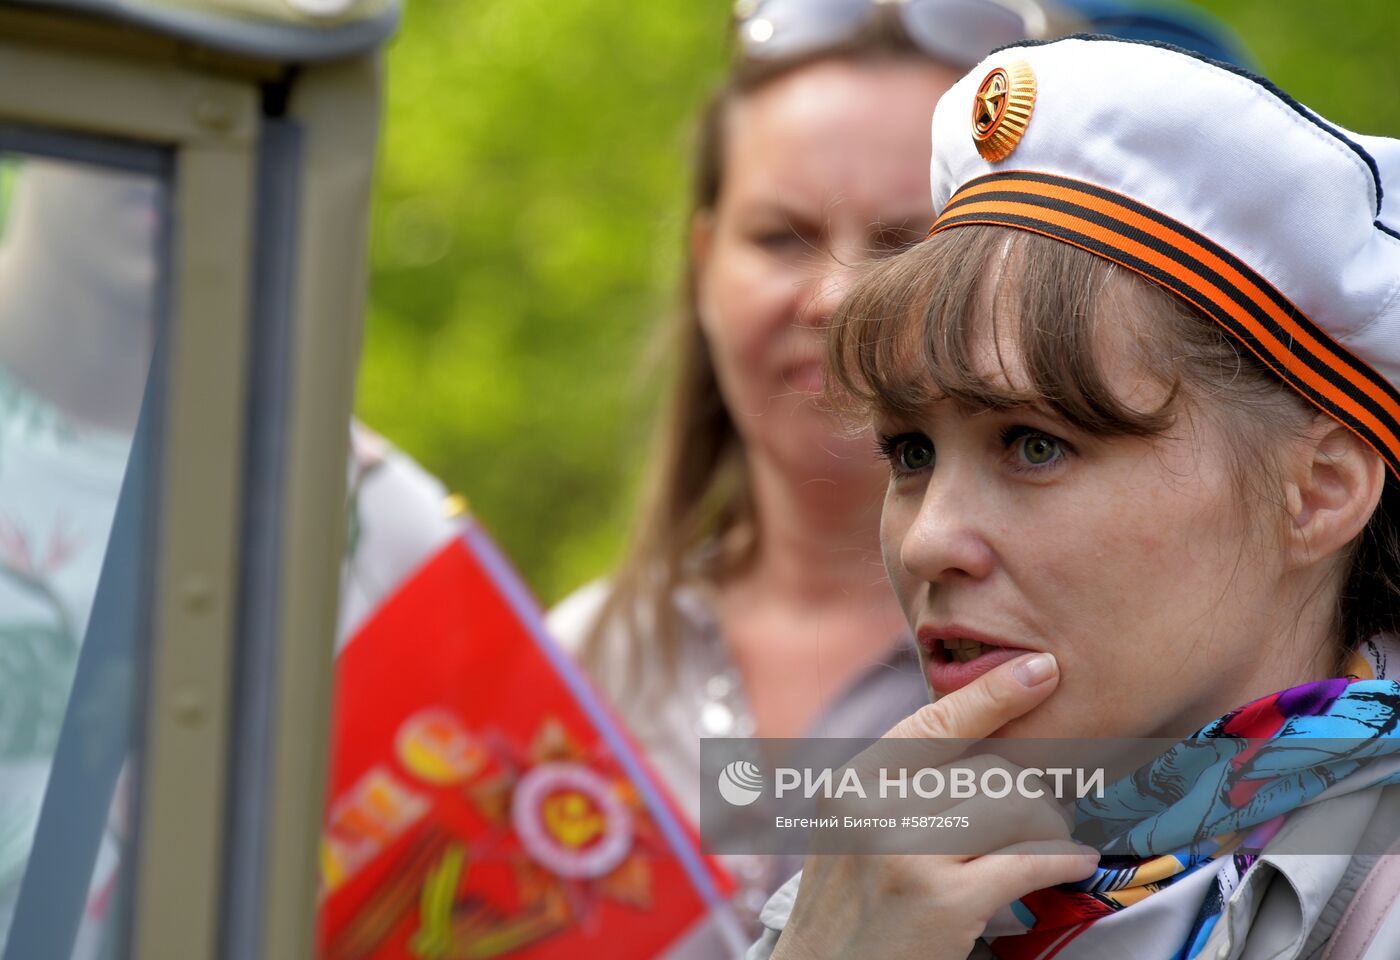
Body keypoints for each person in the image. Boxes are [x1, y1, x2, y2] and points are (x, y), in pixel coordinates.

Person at [748, 34, 1400, 960]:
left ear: (1319, 492)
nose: (929, 541)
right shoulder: (872, 880)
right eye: (911, 453)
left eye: (1036, 445)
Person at [543, 0, 1088, 941]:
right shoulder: (581, 668)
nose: (835, 296)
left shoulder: (1099, 666)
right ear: (704, 259)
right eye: (781, 236)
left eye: (902, 241)